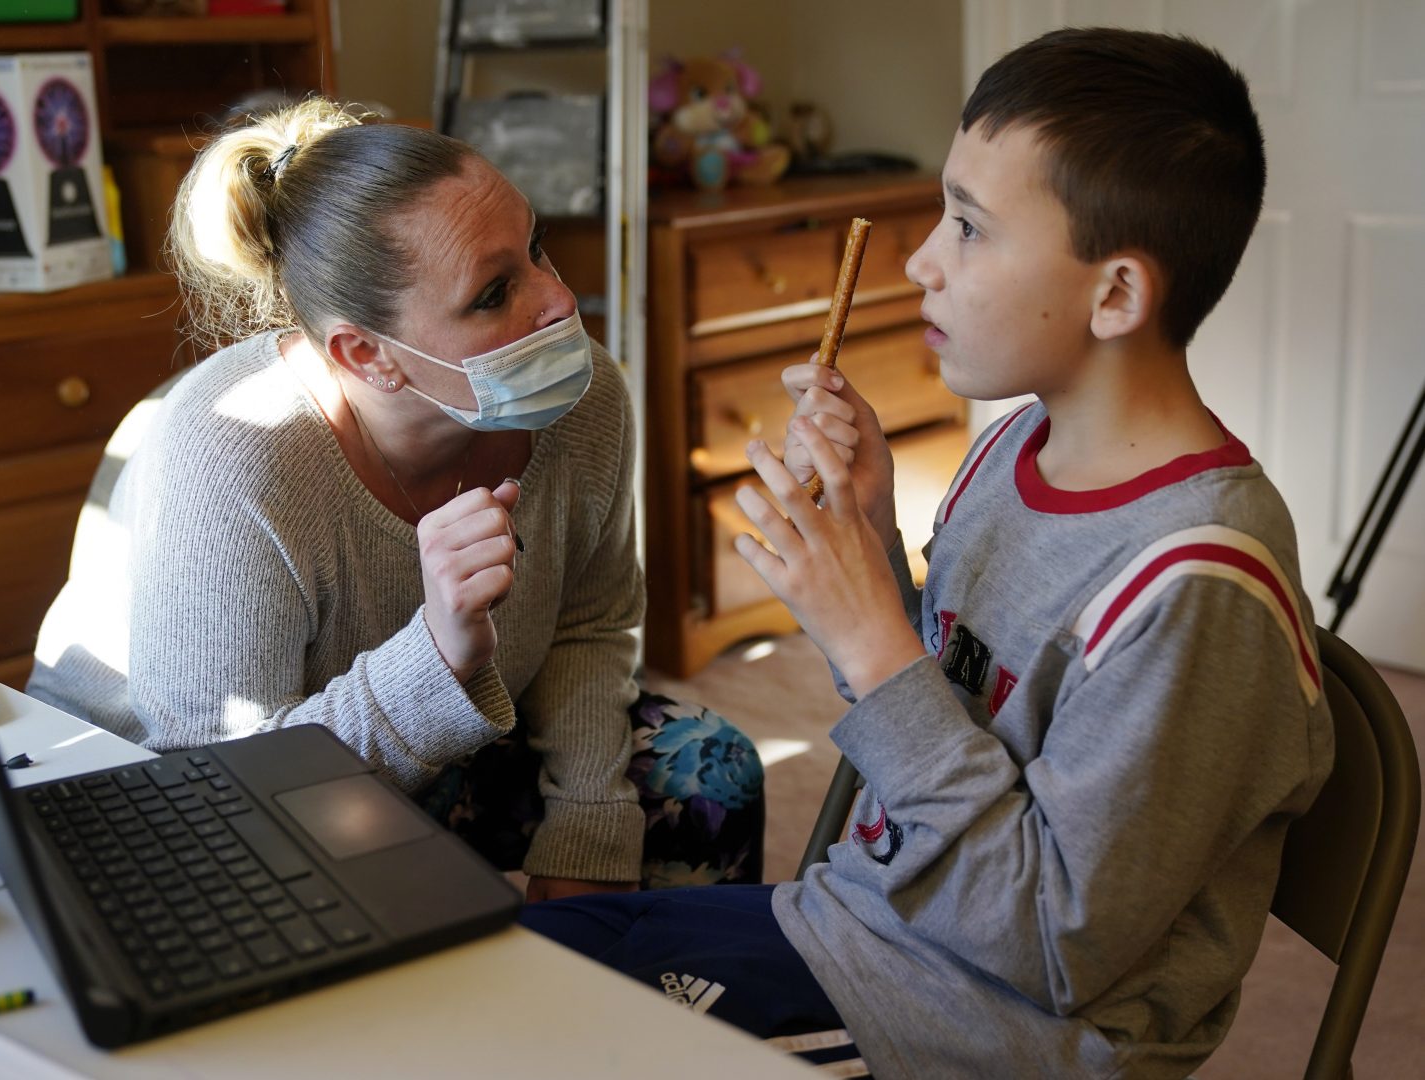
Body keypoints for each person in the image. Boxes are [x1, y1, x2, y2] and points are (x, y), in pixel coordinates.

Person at [520, 27, 1334, 1078]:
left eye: (970, 228)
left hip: (983, 1025)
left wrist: (873, 644)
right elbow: (945, 733)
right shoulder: (1013, 449)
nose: (920, 262)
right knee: (519, 963)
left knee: (536, 1038)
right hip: (871, 929)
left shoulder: (1198, 589)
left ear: (1118, 295)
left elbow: (1055, 943)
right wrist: (872, 546)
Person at [27, 99, 764, 900]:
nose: (558, 303)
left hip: (426, 749)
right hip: (177, 807)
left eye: (537, 249)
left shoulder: (582, 399)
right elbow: (222, 783)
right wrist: (439, 652)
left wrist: (585, 834)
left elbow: (588, 625)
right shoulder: (232, 455)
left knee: (709, 778)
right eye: (493, 293)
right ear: (367, 355)